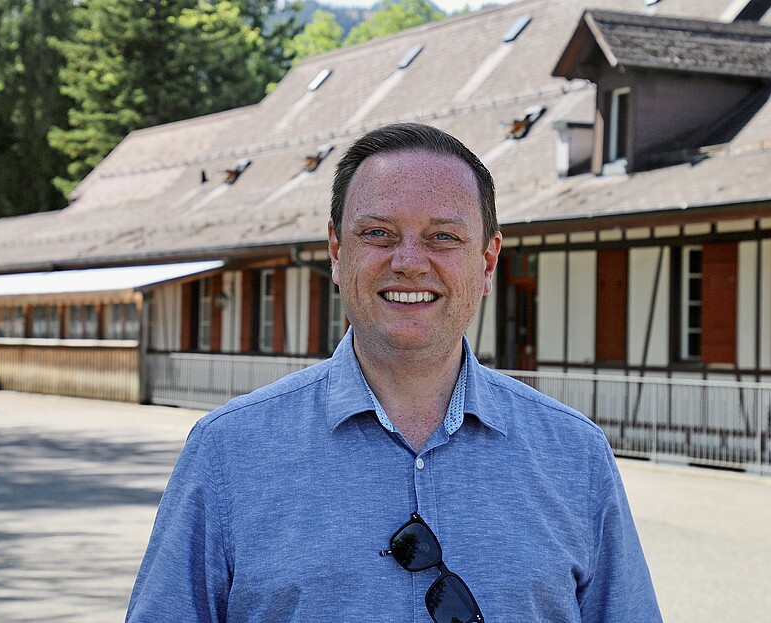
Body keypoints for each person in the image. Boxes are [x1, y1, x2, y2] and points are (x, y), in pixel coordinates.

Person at [126, 123, 661, 622]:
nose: (409, 262)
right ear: (337, 252)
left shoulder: (575, 456)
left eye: (443, 237)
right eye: (379, 233)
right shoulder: (228, 453)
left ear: (487, 261)